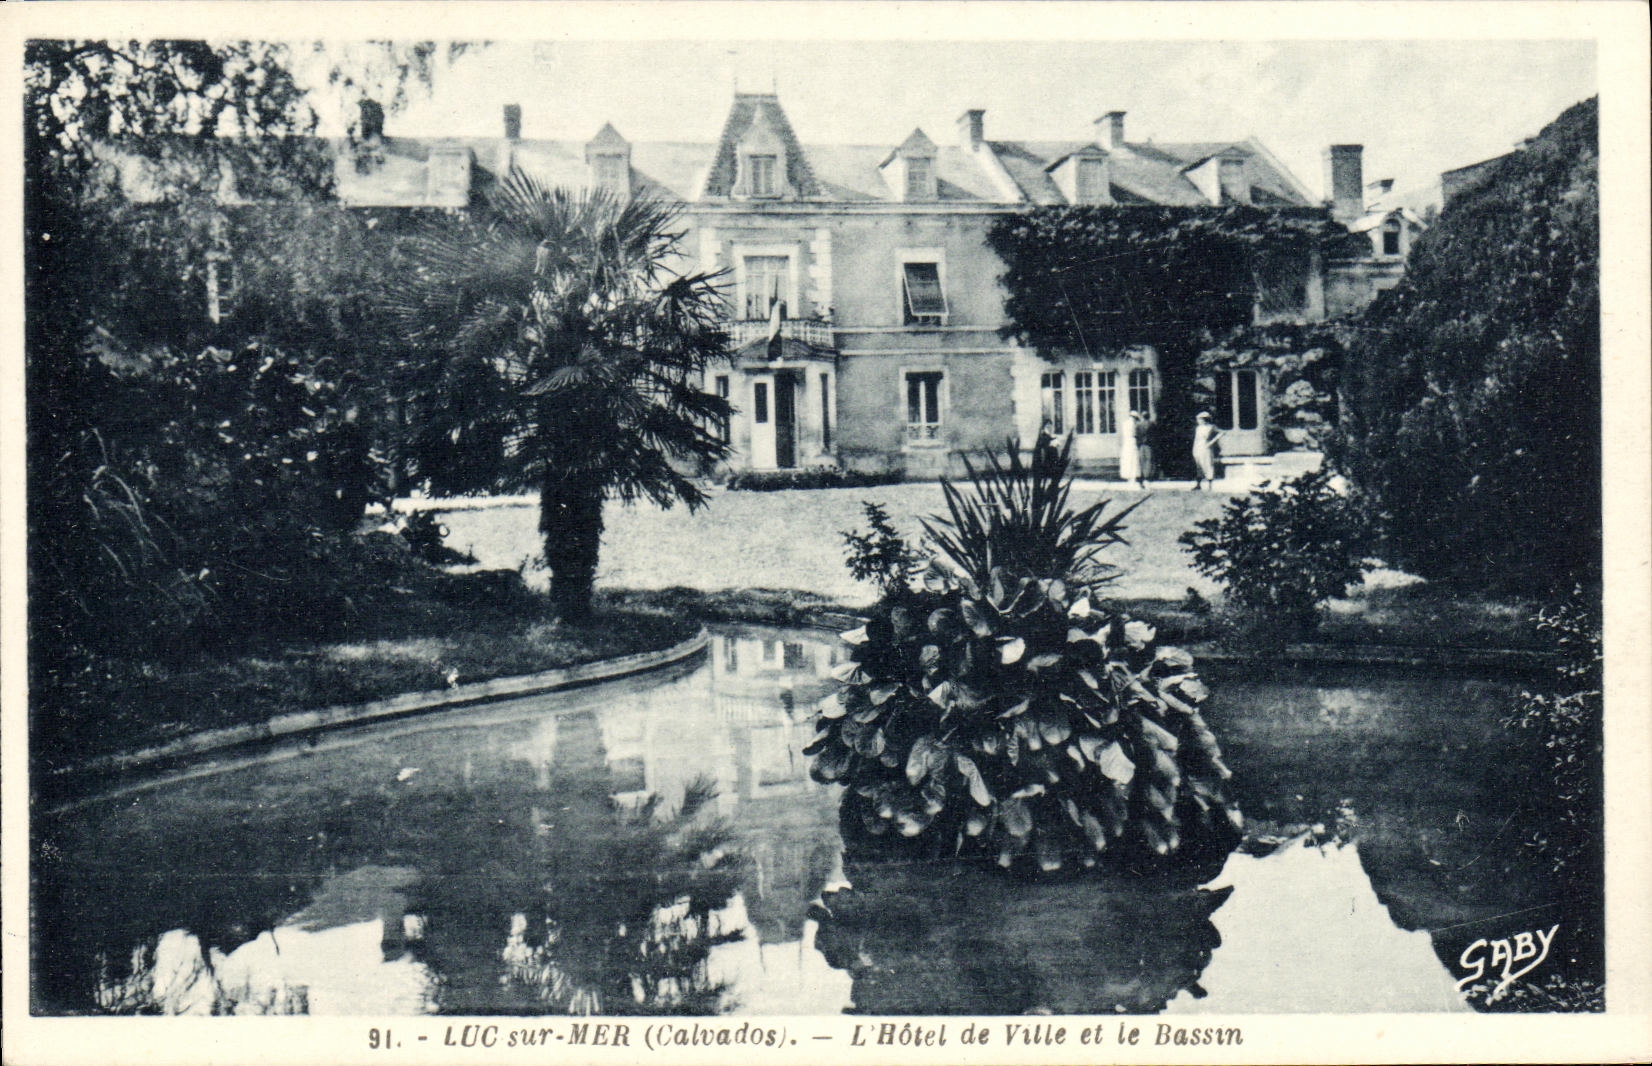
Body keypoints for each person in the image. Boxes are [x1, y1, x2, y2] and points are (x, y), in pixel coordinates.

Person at [1192, 411, 1223, 490]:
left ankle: (1210, 485)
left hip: (1206, 447)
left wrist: (1211, 442)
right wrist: (1194, 449)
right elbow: (1196, 439)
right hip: (1198, 447)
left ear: (1204, 419)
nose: (1198, 421)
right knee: (1199, 465)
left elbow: (1222, 432)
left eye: (1199, 419)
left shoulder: (1211, 427)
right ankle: (1198, 484)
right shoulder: (1198, 428)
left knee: (1207, 464)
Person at [1117, 407, 1140, 485]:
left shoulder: (1125, 423)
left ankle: (1128, 477)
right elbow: (1135, 434)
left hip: (1126, 442)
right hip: (1131, 441)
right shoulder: (1133, 424)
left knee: (1127, 459)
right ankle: (1133, 477)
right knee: (1133, 459)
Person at [1134, 411, 1156, 487]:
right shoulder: (1152, 424)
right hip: (1149, 444)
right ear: (1148, 416)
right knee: (1148, 460)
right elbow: (1154, 435)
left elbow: (1136, 435)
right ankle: (1147, 477)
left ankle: (1142, 476)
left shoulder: (1138, 425)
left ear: (1143, 417)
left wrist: (1138, 444)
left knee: (1142, 461)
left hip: (1141, 445)